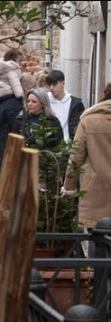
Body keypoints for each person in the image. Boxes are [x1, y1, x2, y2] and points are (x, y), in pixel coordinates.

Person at [63, 84, 111, 229]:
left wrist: (69, 188)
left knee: (96, 240)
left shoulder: (88, 121)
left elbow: (76, 158)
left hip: (95, 189)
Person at [45, 69, 85, 143]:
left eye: (54, 84)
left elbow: (78, 127)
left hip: (68, 146)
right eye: (49, 85)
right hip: (49, 146)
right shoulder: (45, 100)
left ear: (62, 83)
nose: (51, 88)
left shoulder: (75, 104)